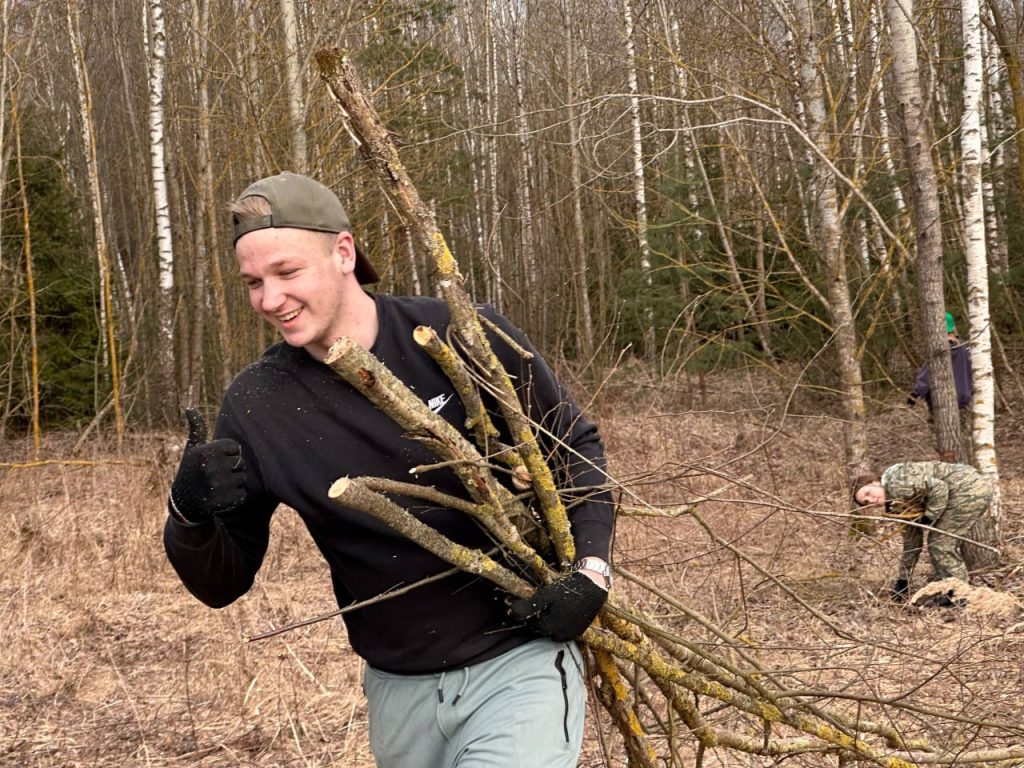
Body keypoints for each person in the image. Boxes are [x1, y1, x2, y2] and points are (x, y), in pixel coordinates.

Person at [163, 172, 616, 767]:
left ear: (344, 252)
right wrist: (188, 513)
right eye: (253, 283)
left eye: (287, 273)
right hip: (397, 687)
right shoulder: (258, 404)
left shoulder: (455, 337)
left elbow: (574, 451)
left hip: (519, 661)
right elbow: (222, 583)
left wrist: (590, 574)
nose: (269, 300)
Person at [851, 461, 991, 603]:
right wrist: (903, 581)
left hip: (968, 490)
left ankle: (962, 595)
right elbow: (912, 542)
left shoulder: (895, 482)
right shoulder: (895, 504)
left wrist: (928, 517)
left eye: (868, 493)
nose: (871, 500)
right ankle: (948, 587)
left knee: (940, 543)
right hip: (964, 491)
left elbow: (939, 488)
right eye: (867, 502)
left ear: (875, 482)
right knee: (937, 542)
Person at [907, 312, 972, 411]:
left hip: (943, 404)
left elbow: (927, 374)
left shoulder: (941, 350)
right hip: (964, 402)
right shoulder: (965, 348)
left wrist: (915, 395)